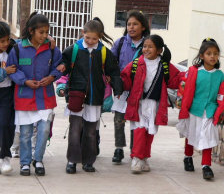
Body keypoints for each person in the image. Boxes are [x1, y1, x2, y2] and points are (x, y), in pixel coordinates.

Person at [60, 18, 123, 174]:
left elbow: (113, 71)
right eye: (87, 37)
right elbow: (63, 66)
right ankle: (72, 161)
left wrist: (118, 88)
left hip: (95, 98)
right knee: (75, 129)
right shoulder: (72, 50)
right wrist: (62, 73)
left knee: (91, 132)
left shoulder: (104, 52)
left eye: (94, 38)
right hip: (76, 96)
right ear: (83, 33)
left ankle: (89, 161)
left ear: (99, 37)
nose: (90, 41)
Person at [7, 12, 62, 176]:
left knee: (44, 130)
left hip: (45, 97)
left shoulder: (52, 49)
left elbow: (60, 66)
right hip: (25, 97)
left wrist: (52, 76)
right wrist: (24, 81)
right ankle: (25, 163)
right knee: (25, 133)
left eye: (47, 32)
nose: (45, 36)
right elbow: (12, 70)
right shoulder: (18, 49)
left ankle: (38, 159)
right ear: (31, 31)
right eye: (41, 32)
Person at [121, 34, 183, 173]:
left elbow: (175, 80)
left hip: (155, 105)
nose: (146, 49)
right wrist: (116, 82)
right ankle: (136, 158)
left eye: (150, 47)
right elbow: (125, 79)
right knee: (139, 130)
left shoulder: (165, 66)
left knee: (150, 132)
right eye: (145, 46)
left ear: (160, 50)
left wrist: (188, 77)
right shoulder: (136, 63)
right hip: (139, 103)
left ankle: (144, 158)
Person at [176, 38, 224, 180]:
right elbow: (188, 91)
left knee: (208, 137)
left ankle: (206, 166)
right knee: (191, 134)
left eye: (216, 53)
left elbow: (221, 94)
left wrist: (220, 110)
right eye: (209, 53)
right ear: (202, 56)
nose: (213, 56)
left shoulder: (220, 75)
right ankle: (188, 157)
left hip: (210, 111)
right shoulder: (194, 72)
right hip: (194, 109)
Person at [111, 10, 150, 163]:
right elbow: (111, 63)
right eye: (129, 24)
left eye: (135, 24)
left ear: (143, 27)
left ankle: (136, 149)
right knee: (119, 119)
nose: (131, 27)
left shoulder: (148, 44)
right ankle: (119, 148)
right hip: (122, 88)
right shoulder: (120, 43)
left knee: (136, 119)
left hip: (140, 89)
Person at [0, 21, 17, 175]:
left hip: (7, 94)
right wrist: (5, 72)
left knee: (6, 125)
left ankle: (5, 157)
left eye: (8, 40)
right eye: (2, 41)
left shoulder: (13, 50)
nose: (6, 43)